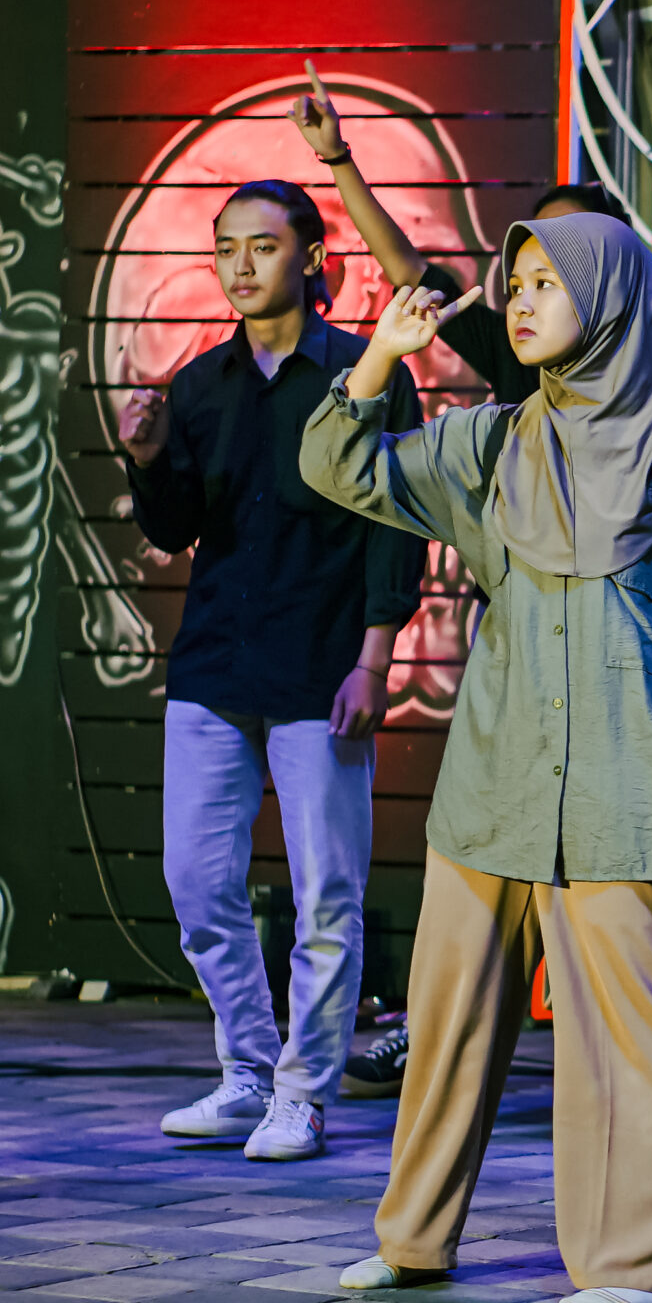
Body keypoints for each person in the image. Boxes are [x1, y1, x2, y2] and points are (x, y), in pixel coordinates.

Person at [302, 212, 652, 1303]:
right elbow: (337, 466)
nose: (520, 301)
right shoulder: (489, 442)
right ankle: (414, 1239)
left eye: (547, 283)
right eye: (514, 282)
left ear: (607, 304)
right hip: (495, 782)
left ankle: (633, 1262)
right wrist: (379, 358)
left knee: (632, 1034)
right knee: (448, 1023)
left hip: (625, 779)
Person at [120, 181, 425, 1162]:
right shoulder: (200, 384)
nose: (241, 264)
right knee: (194, 877)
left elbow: (396, 522)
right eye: (226, 247)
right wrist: (147, 458)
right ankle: (247, 1070)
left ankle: (304, 1091)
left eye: (262, 244)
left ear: (313, 258)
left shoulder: (365, 369)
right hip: (215, 660)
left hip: (322, 664)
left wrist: (375, 656)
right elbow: (176, 526)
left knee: (327, 892)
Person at [292, 64, 627, 409]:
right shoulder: (507, 358)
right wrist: (337, 156)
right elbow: (406, 269)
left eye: (568, 243)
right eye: (516, 288)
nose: (523, 304)